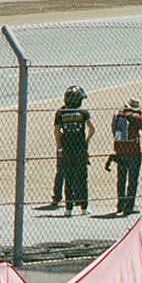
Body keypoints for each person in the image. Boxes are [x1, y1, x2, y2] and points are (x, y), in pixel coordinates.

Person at [52, 86, 92, 215]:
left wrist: (59, 148)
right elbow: (92, 128)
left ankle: (68, 208)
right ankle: (84, 207)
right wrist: (86, 141)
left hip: (67, 148)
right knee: (82, 178)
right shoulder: (83, 112)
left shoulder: (60, 113)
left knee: (68, 178)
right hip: (80, 148)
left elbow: (57, 132)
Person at [110, 99, 142, 215]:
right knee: (132, 180)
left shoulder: (118, 116)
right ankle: (129, 205)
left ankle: (120, 204)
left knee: (121, 179)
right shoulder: (136, 118)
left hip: (120, 152)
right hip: (133, 152)